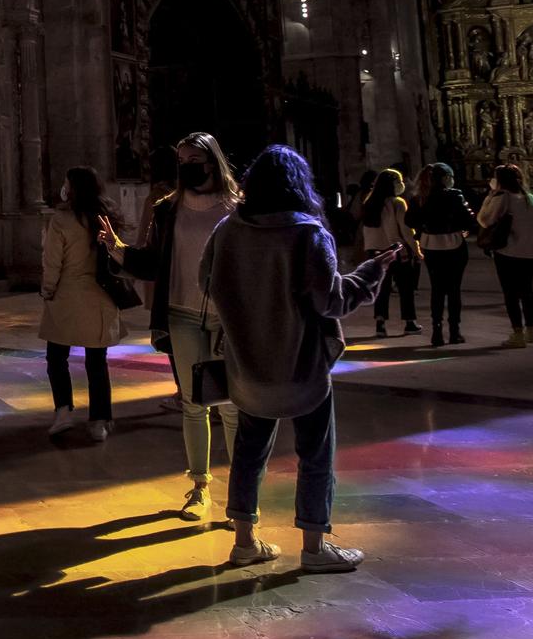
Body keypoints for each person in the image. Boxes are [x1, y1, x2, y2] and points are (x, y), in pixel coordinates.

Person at [206, 144, 394, 572]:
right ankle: (314, 547)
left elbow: (207, 280)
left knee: (248, 449)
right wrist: (370, 274)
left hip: (248, 361)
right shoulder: (308, 232)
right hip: (301, 364)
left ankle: (243, 541)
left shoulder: (228, 229)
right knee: (316, 453)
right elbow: (330, 301)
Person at [100, 131, 240, 522]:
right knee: (194, 405)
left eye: (193, 160)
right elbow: (152, 263)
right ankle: (199, 487)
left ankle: (243, 494)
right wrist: (117, 249)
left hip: (227, 317)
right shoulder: (168, 209)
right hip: (181, 314)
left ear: (213, 160)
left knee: (231, 406)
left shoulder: (238, 208)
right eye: (181, 162)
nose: (186, 169)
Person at [42, 167, 129, 442]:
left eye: (66, 183)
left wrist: (47, 289)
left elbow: (53, 261)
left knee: (57, 357)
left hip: (66, 296)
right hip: (100, 297)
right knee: (97, 362)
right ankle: (100, 420)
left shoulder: (62, 220)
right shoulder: (108, 217)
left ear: (73, 188)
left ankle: (63, 412)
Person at [479, 163, 533, 348]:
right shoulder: (529, 198)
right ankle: (530, 331)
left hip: (509, 251)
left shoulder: (503, 197)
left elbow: (485, 220)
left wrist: (490, 196)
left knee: (510, 293)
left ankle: (517, 333)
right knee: (527, 291)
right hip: (529, 251)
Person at [408, 162, 476, 346]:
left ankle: (436, 331)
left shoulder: (420, 197)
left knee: (437, 289)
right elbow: (469, 220)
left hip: (431, 245)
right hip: (454, 243)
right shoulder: (454, 195)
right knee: (454, 290)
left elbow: (410, 220)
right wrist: (463, 230)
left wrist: (423, 227)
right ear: (446, 178)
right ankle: (455, 331)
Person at [137, 146, 182, 412]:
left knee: (173, 338)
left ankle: (184, 392)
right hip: (191, 278)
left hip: (165, 277)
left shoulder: (158, 199)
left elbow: (145, 238)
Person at [360, 169, 422, 337]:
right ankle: (410, 322)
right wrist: (416, 250)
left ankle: (380, 324)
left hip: (375, 252)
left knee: (382, 288)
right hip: (395, 251)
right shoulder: (397, 202)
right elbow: (405, 230)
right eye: (399, 181)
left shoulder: (369, 202)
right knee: (405, 288)